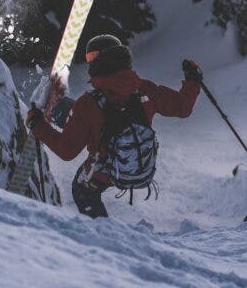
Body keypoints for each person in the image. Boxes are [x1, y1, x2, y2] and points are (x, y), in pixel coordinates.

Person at [26, 34, 203, 218]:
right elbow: (183, 107)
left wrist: (37, 125)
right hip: (140, 165)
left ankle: (104, 234)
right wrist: (193, 80)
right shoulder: (145, 89)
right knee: (85, 115)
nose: (90, 63)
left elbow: (67, 151)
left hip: (105, 171)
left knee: (81, 190)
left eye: (92, 58)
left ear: (103, 59)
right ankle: (61, 109)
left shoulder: (88, 104)